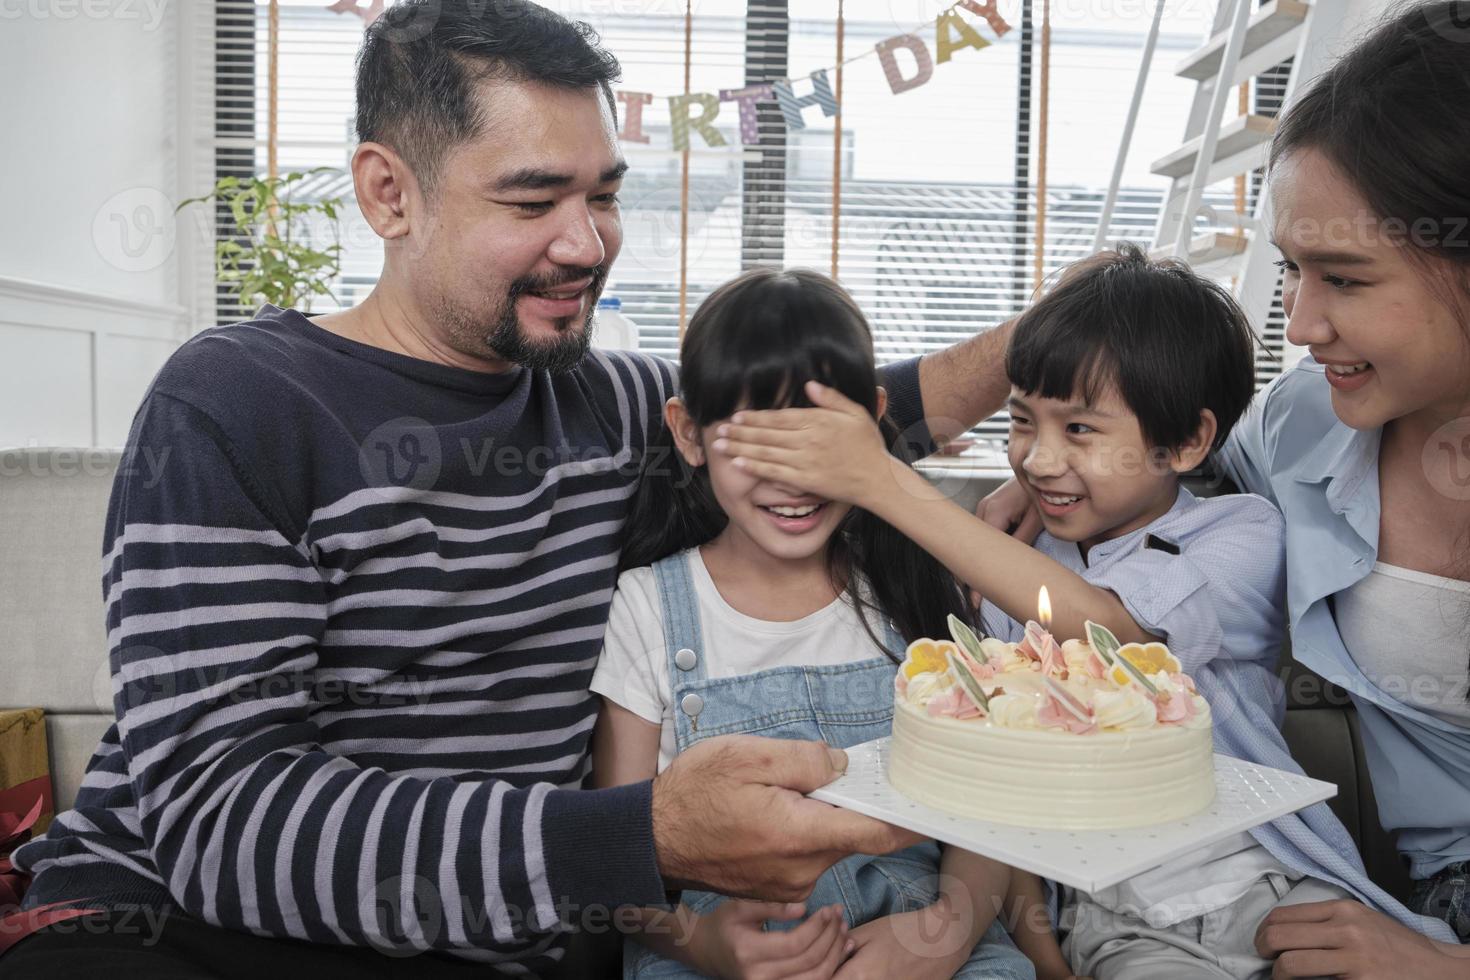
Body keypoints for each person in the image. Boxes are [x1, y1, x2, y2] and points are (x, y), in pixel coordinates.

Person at [0, 3, 1016, 975]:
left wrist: (1055, 339)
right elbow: (220, 824)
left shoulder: (613, 405)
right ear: (389, 194)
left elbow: (839, 415)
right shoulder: (237, 404)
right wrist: (642, 831)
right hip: (177, 930)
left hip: (485, 949)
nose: (588, 244)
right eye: (534, 201)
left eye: (605, 194)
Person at [707, 242, 1457, 978]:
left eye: (1080, 430)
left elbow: (1115, 636)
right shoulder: (1016, 580)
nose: (1037, 459)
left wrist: (880, 477)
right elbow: (1004, 794)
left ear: (1189, 440)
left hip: (1272, 885)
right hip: (1119, 923)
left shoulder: (1238, 533)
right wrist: (1041, 954)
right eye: (1022, 422)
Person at [588, 268, 1035, 980]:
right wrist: (701, 944)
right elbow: (620, 857)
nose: (791, 478)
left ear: (873, 424)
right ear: (689, 433)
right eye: (757, 441)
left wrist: (944, 934)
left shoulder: (913, 588)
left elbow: (989, 806)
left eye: (821, 440)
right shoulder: (647, 607)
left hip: (920, 938)